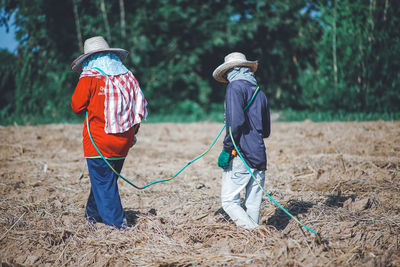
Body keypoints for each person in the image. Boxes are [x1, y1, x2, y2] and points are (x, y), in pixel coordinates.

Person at [70, 36, 147, 229]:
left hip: (99, 141)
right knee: (106, 180)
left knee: (104, 182)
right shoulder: (128, 76)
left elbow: (77, 106)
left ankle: (116, 225)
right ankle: (92, 216)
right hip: (123, 141)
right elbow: (137, 109)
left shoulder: (90, 77)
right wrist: (132, 134)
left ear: (88, 59)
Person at [213, 52, 270, 229]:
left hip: (241, 154)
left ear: (229, 71)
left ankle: (255, 234)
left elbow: (235, 124)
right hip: (259, 154)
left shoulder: (234, 87)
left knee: (229, 201)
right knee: (252, 204)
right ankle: (256, 246)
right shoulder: (260, 92)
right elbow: (266, 131)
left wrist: (226, 149)